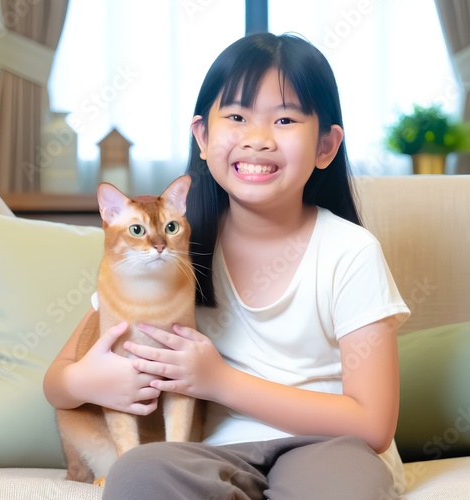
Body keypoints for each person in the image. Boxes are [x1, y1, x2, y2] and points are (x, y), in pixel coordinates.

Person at [44, 32, 410, 499]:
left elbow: (374, 424)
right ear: (202, 136)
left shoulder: (350, 251)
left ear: (325, 146)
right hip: (209, 452)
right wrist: (87, 380)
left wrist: (219, 381)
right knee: (138, 474)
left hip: (329, 445)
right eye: (237, 117)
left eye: (283, 119)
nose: (257, 139)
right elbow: (57, 385)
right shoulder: (172, 248)